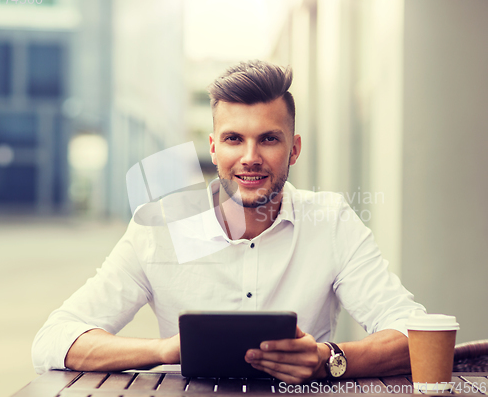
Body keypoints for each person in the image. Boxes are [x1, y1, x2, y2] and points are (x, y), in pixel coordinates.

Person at [32, 60, 425, 384]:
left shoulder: (331, 221)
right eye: (235, 139)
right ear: (214, 148)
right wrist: (166, 350)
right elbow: (54, 340)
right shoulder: (158, 228)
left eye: (269, 139)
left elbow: (417, 334)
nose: (250, 157)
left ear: (294, 149)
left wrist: (329, 359)